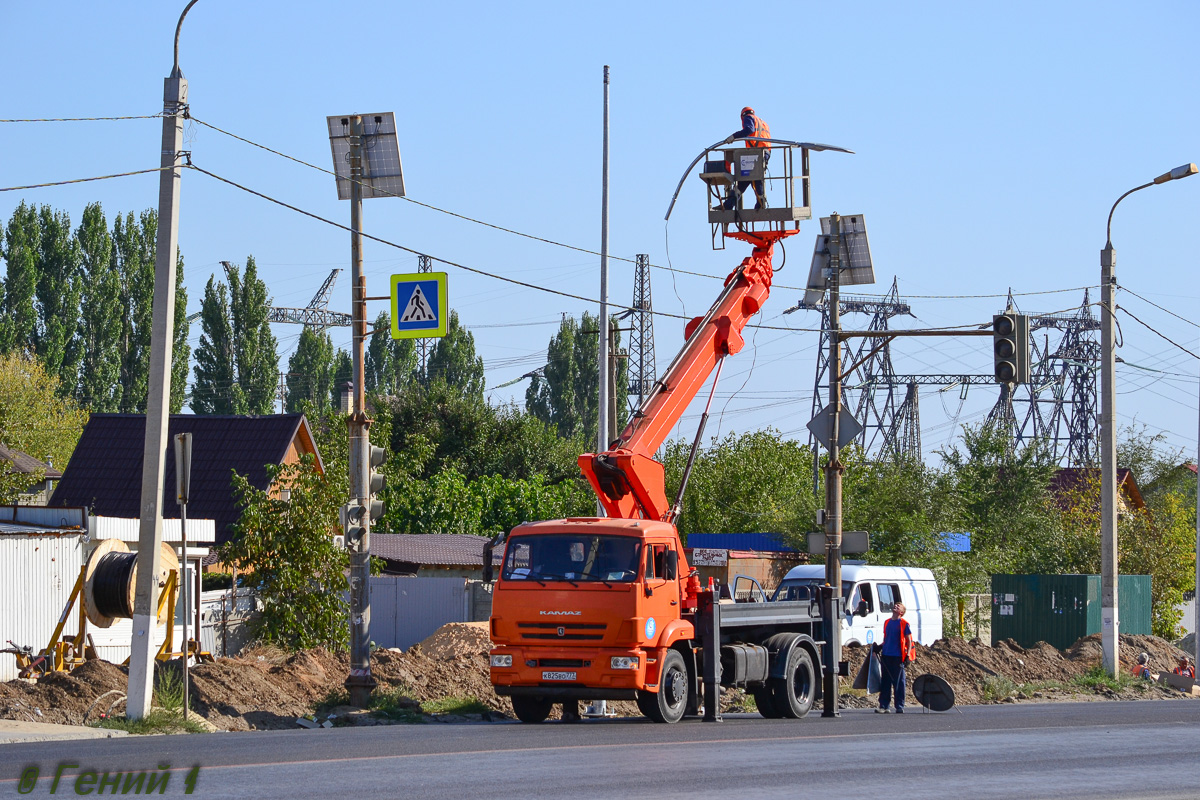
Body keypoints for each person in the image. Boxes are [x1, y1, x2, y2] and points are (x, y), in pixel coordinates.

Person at [720, 106, 771, 211]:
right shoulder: (762, 122)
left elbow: (749, 129)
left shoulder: (748, 118)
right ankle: (729, 204)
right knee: (745, 179)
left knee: (754, 178)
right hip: (764, 152)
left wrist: (734, 136)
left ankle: (761, 203)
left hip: (756, 153)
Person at [875, 601, 916, 713]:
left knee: (898, 682)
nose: (896, 606)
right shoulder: (887, 622)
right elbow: (887, 638)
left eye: (899, 606)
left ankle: (899, 706)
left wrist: (908, 656)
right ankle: (884, 706)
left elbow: (909, 640)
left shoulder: (904, 623)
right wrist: (879, 647)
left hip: (898, 656)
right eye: (895, 605)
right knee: (885, 682)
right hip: (886, 655)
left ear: (901, 612)